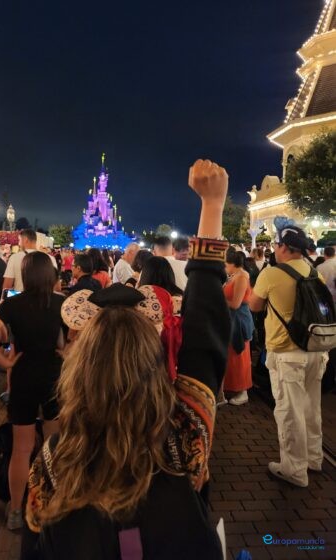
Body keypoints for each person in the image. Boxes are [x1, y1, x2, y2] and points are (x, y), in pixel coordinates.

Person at [23, 159, 231, 559]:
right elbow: (206, 333)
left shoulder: (54, 462)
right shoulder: (183, 438)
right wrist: (212, 205)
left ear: (79, 368)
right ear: (151, 358)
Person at [0, 251, 65, 530]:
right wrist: (67, 353)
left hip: (23, 376)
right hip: (54, 378)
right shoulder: (61, 303)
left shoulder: (12, 304)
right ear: (50, 275)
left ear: (26, 275)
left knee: (21, 448)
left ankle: (16, 511)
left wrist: (4, 361)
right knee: (53, 444)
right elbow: (75, 340)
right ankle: (51, 502)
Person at [249, 223, 329, 487]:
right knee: (311, 407)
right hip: (316, 350)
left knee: (289, 412)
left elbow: (254, 306)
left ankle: (294, 469)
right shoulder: (313, 271)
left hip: (287, 353)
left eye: (276, 245)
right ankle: (314, 458)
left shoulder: (271, 274)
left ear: (284, 247)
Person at [222, 250, 254, 405]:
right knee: (233, 354)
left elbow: (235, 304)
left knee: (239, 354)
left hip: (239, 320)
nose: (224, 267)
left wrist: (218, 297)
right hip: (232, 319)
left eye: (225, 264)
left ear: (232, 264)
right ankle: (234, 387)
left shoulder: (242, 277)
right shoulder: (236, 275)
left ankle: (243, 391)